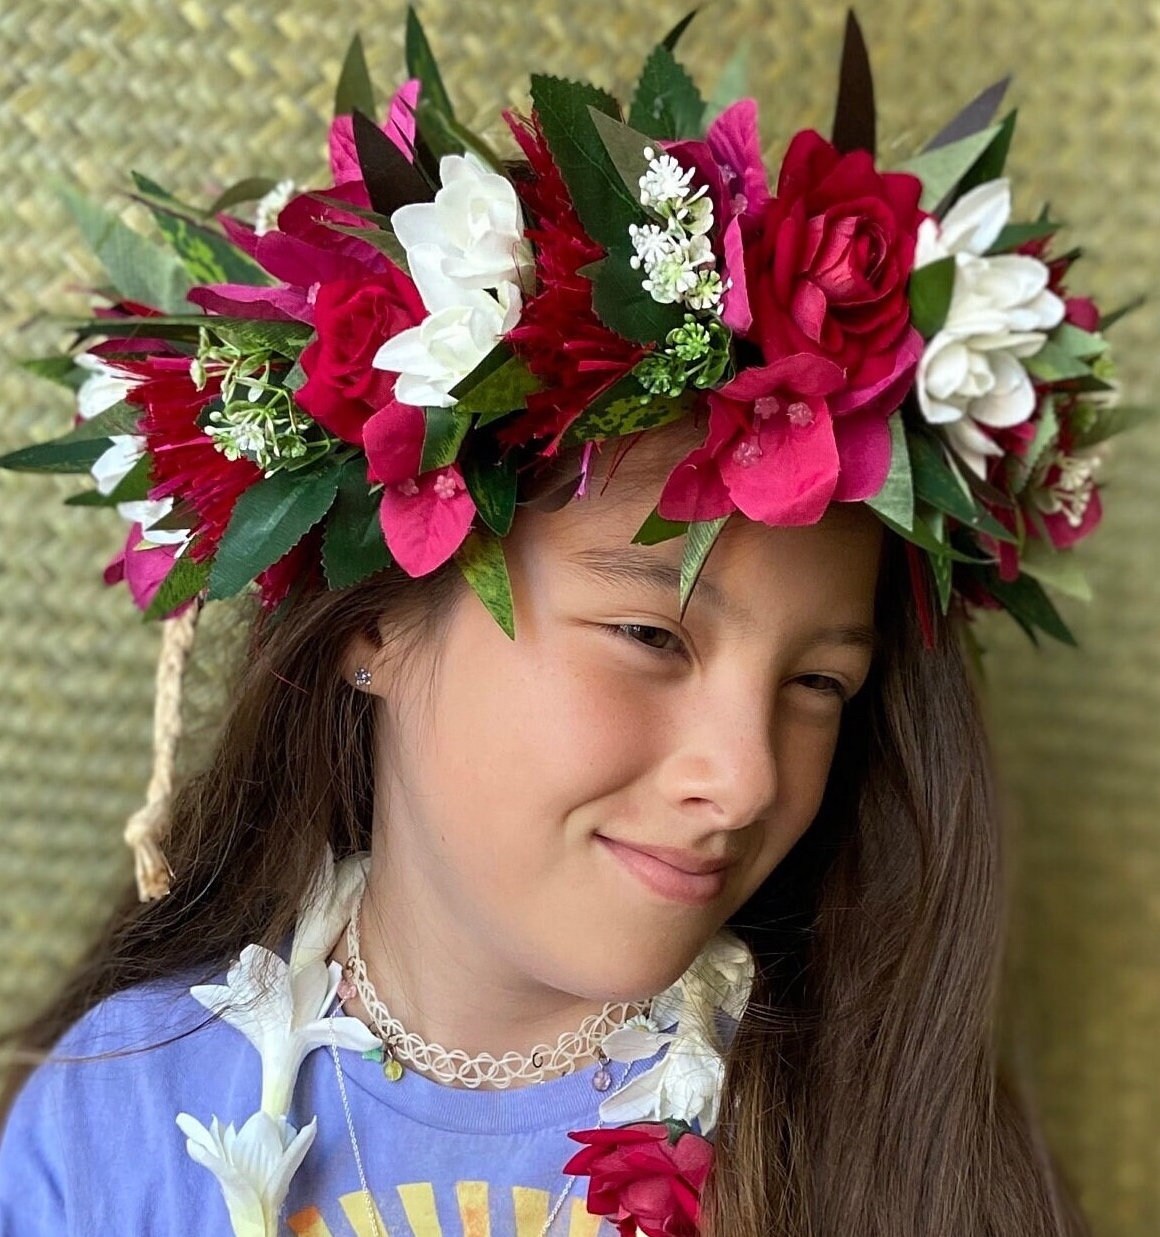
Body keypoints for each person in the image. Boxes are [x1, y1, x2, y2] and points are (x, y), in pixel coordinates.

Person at [0, 9, 1123, 1236]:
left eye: (818, 685)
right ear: (373, 625)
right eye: (652, 636)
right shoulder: (120, 1116)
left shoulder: (892, 1156)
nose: (745, 779)